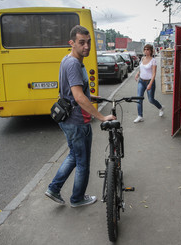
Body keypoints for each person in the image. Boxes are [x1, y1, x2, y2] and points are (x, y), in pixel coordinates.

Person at [45, 25, 116, 208]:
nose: (86, 46)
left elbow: (72, 91)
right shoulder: (74, 64)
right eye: (81, 42)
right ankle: (77, 198)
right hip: (77, 121)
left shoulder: (68, 60)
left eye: (88, 42)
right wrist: (101, 117)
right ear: (72, 43)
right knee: (82, 162)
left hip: (69, 118)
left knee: (74, 156)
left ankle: (54, 188)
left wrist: (90, 96)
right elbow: (77, 96)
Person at [134, 44, 164, 123]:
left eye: (148, 50)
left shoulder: (153, 60)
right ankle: (140, 116)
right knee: (139, 99)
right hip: (141, 81)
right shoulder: (143, 58)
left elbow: (154, 74)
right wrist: (137, 74)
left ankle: (160, 108)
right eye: (145, 49)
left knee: (151, 99)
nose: (146, 51)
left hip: (149, 81)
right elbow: (141, 68)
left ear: (151, 51)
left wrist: (150, 84)